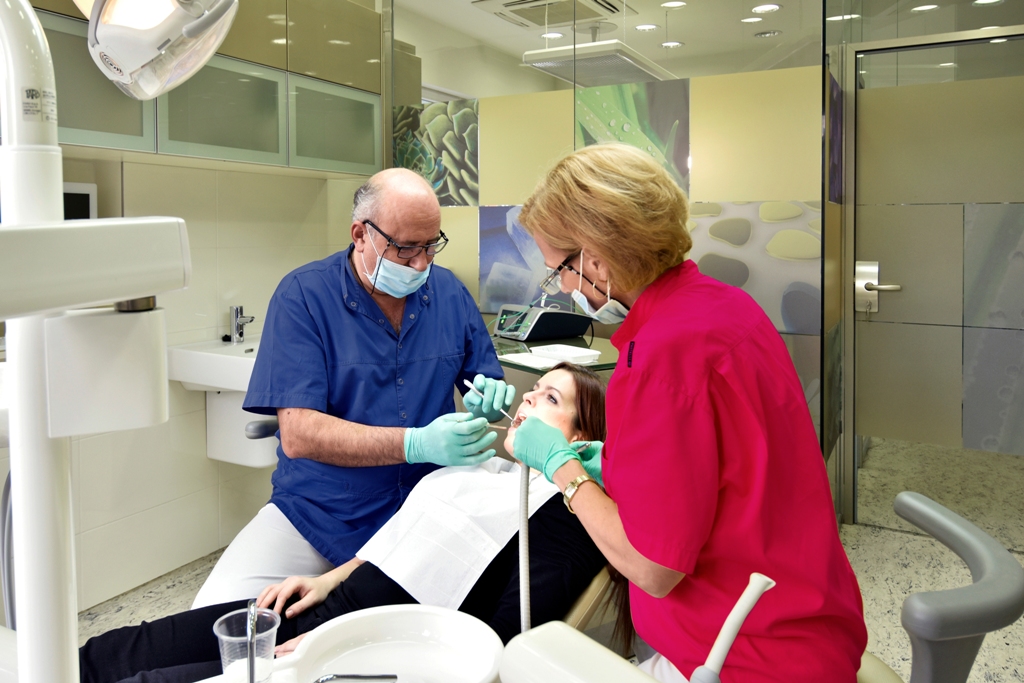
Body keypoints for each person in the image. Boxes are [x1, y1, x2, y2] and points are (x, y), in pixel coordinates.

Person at [511, 144, 868, 683]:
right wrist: (619, 467)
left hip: (746, 657)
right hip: (805, 614)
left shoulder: (660, 357)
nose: (561, 286)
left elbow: (653, 569)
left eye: (559, 269)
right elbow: (724, 459)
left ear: (596, 259)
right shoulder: (723, 306)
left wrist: (562, 467)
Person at [78, 364, 608, 683]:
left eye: (551, 398)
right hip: (317, 606)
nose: (527, 396)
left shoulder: (559, 515)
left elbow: (495, 644)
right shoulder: (485, 470)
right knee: (116, 652)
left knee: (149, 678)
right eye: (536, 387)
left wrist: (334, 646)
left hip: (355, 651)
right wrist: (328, 579)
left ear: (581, 439)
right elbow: (408, 543)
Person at [193, 168, 516, 608]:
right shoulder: (303, 297)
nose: (421, 264)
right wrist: (415, 444)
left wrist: (489, 399)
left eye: (430, 246)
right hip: (319, 514)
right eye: (406, 248)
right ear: (361, 234)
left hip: (424, 508)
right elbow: (299, 433)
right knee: (223, 619)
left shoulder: (448, 293)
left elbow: (484, 380)